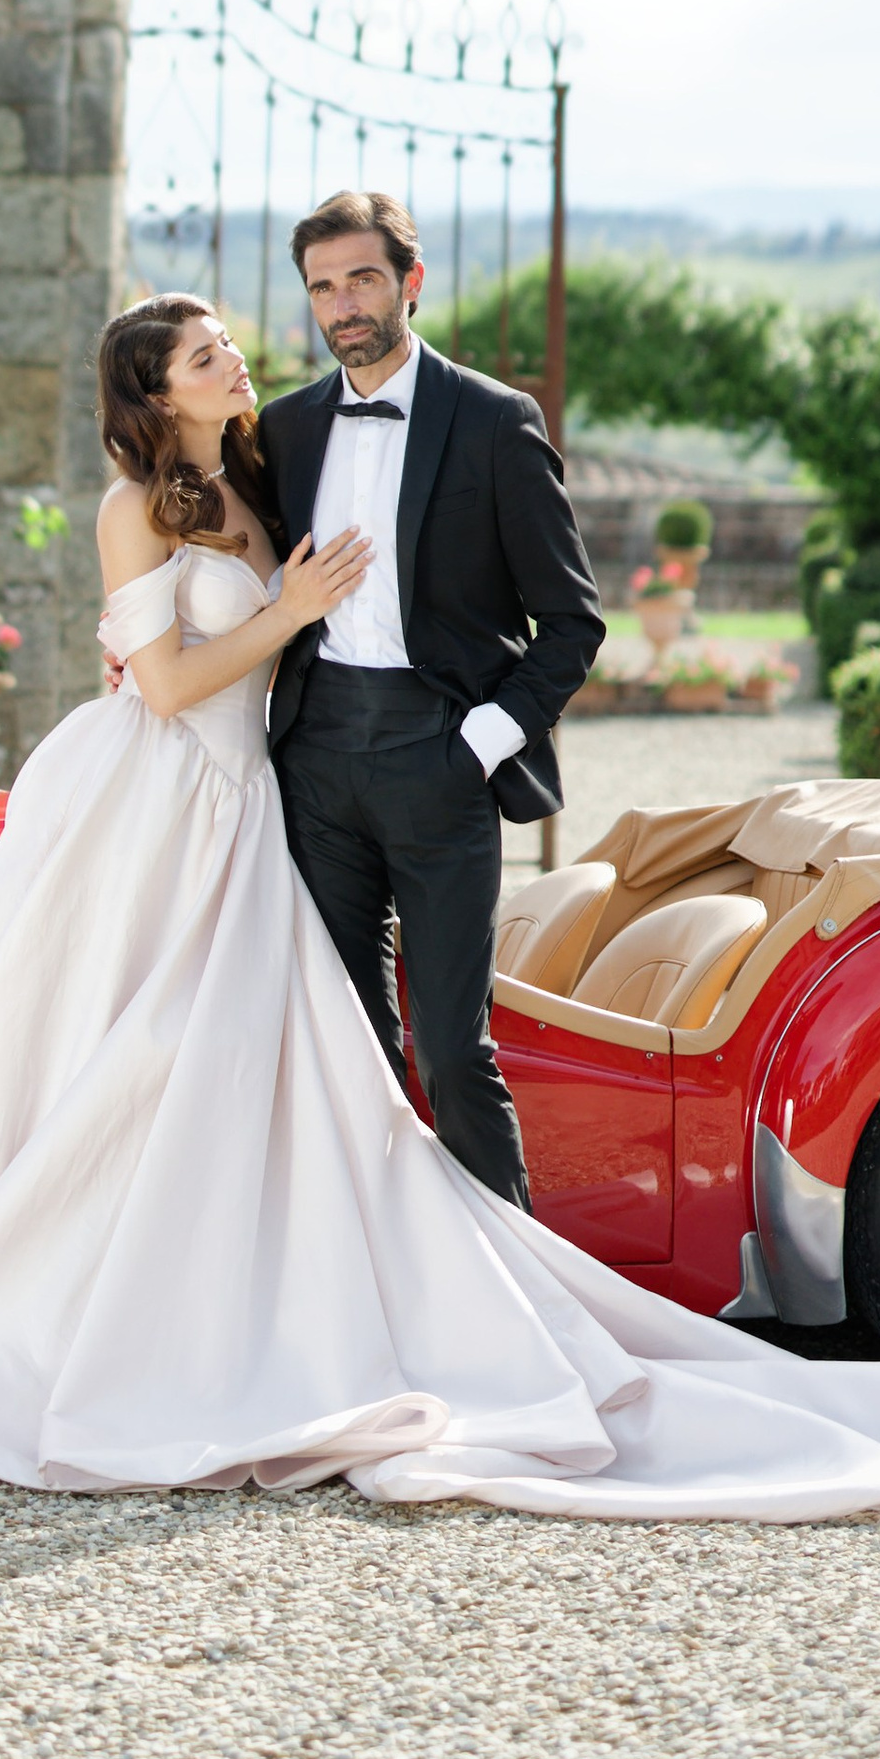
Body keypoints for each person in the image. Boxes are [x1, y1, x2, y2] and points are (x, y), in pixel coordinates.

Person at [0, 291, 880, 1517]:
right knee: (131, 1059)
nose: (235, 358)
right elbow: (159, 686)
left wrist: (364, 654)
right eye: (205, 355)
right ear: (155, 394)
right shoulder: (131, 506)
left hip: (254, 803)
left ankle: (275, 1308)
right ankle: (72, 1331)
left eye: (229, 343)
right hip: (155, 807)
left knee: (272, 1067)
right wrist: (288, 612)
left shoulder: (263, 474)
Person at [259, 188, 602, 1204]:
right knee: (349, 1051)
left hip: (440, 758)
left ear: (410, 281)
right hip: (317, 761)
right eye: (323, 287)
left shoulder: (494, 422)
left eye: (362, 279)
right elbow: (238, 575)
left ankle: (513, 1284)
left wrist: (479, 745)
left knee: (453, 1051)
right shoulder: (285, 430)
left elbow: (572, 623)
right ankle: (379, 1276)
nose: (343, 306)